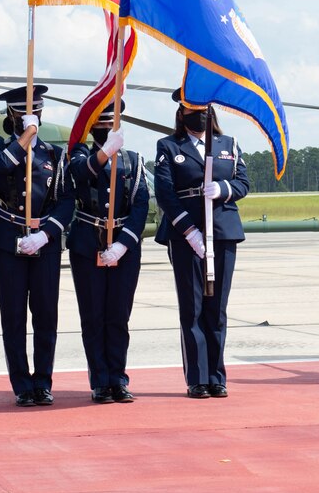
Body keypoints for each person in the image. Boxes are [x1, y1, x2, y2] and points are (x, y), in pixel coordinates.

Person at [154, 91, 250, 399]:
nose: (199, 117)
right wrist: (189, 231)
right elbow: (165, 193)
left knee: (217, 309)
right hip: (186, 234)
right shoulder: (169, 146)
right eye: (192, 111)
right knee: (192, 308)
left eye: (203, 111)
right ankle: (197, 378)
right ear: (182, 114)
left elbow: (243, 183)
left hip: (222, 231)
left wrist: (222, 188)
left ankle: (216, 376)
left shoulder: (228, 145)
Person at [0, 85, 73, 407]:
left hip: (44, 244)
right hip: (9, 241)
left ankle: (43, 382)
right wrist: (26, 136)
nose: (29, 115)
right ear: (11, 114)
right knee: (14, 316)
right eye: (22, 110)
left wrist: (47, 234)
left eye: (35, 110)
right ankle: (21, 384)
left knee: (46, 315)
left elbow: (65, 201)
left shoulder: (54, 155)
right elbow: (0, 167)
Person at [66, 101, 149, 404]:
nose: (105, 125)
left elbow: (141, 206)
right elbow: (80, 174)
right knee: (93, 315)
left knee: (118, 316)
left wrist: (123, 244)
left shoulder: (134, 161)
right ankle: (100, 380)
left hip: (124, 246)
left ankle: (118, 378)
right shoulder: (79, 154)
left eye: (110, 120)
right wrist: (105, 152)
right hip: (88, 242)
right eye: (100, 121)